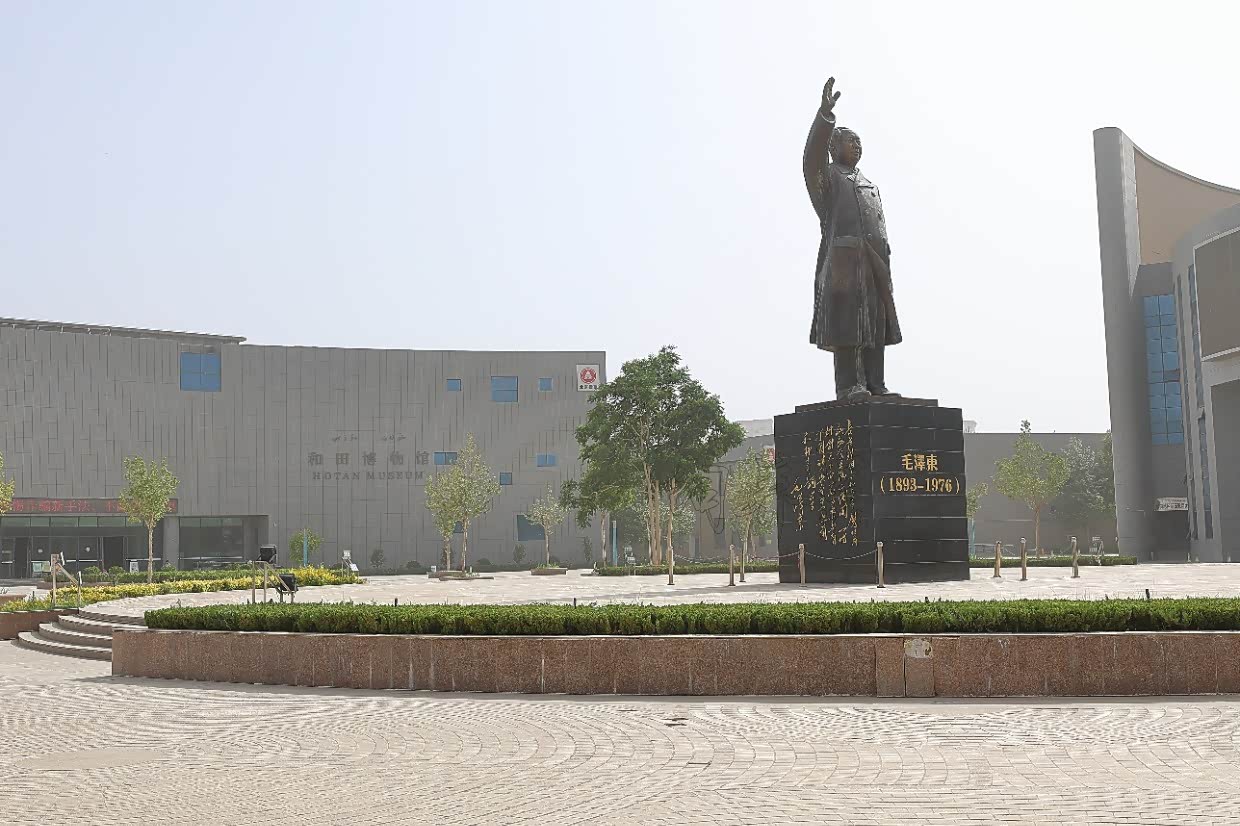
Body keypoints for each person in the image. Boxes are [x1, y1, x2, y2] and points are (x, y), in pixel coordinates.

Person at [803, 77, 902, 400]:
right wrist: (825, 118)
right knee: (848, 325)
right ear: (834, 147)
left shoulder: (870, 184)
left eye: (859, 142)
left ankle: (876, 383)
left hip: (874, 262)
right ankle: (849, 385)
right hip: (844, 262)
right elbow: (811, 161)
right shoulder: (828, 178)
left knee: (874, 324)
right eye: (850, 141)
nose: (857, 147)